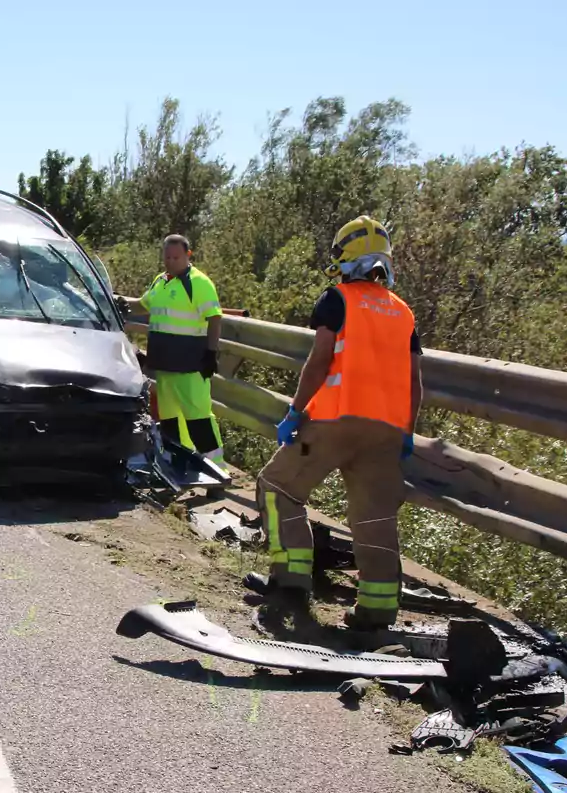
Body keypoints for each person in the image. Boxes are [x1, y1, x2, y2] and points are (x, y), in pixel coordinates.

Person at [253, 215, 423, 631]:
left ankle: (291, 585)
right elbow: (416, 383)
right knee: (375, 520)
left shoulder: (338, 298)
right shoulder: (404, 313)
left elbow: (320, 361)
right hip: (385, 433)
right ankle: (376, 616)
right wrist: (406, 434)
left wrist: (296, 410)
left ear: (346, 258)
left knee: (277, 487)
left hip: (335, 419)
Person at [116, 234, 224, 463]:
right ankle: (181, 466)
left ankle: (217, 469)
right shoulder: (160, 281)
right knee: (170, 422)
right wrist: (116, 301)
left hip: (190, 366)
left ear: (188, 255)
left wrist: (211, 354)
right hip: (165, 367)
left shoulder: (198, 283)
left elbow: (215, 318)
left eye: (176, 257)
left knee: (199, 420)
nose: (171, 262)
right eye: (167, 257)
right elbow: (141, 306)